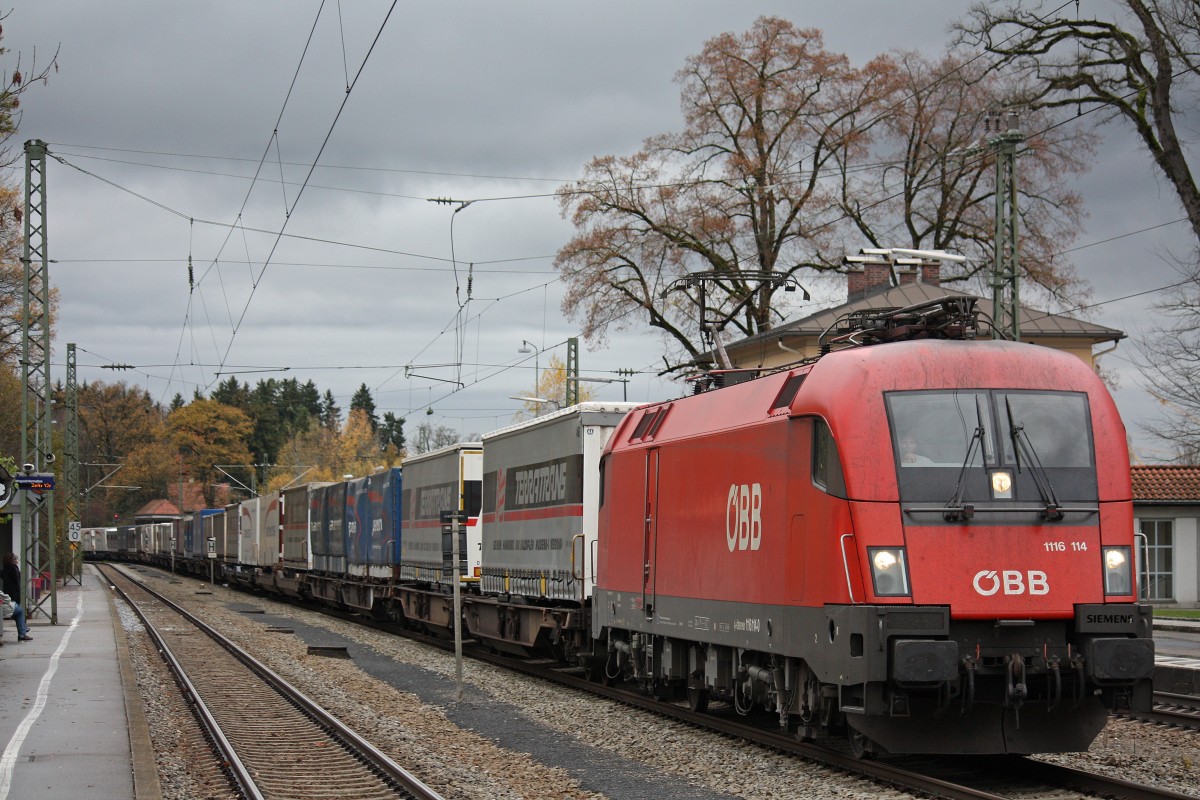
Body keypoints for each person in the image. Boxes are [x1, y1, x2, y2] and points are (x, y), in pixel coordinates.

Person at [2, 553, 32, 641]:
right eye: (16, 559)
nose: (17, 561)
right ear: (13, 560)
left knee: (17, 611)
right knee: (18, 610)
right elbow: (17, 581)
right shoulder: (14, 568)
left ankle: (23, 628)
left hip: (7, 592)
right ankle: (23, 630)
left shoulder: (5, 569)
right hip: (14, 593)